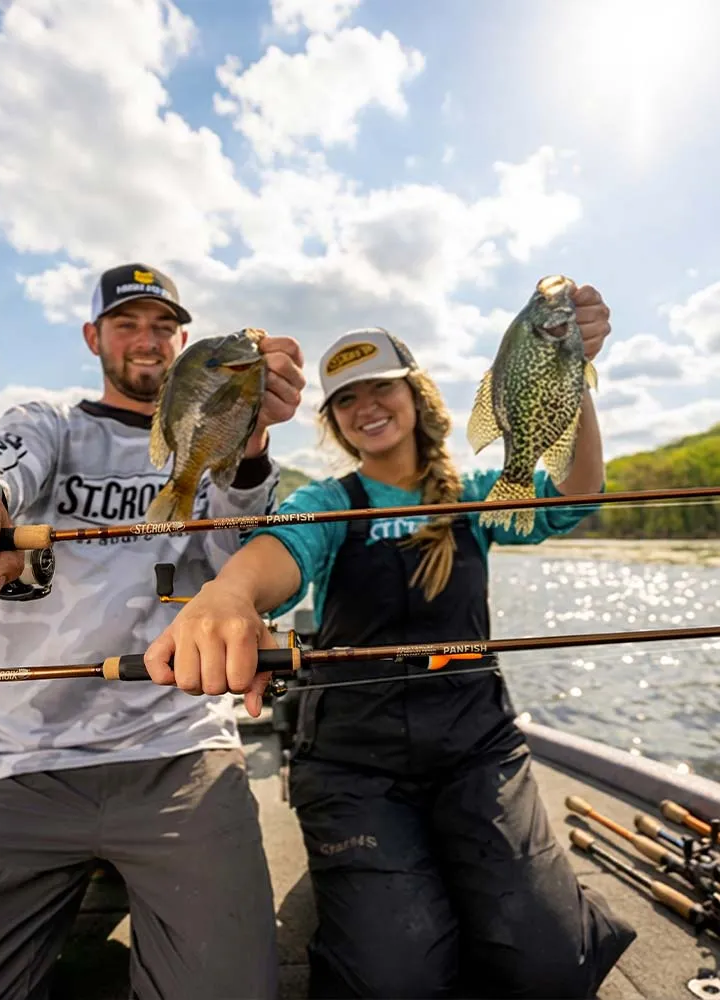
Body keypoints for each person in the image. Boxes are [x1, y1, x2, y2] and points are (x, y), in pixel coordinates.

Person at [144, 284, 637, 999]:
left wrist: (570, 378)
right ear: (335, 420)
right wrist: (228, 594)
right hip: (353, 765)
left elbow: (578, 494)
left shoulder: (475, 493)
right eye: (346, 399)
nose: (366, 407)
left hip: (478, 753)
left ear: (416, 393)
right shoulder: (326, 502)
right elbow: (276, 554)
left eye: (381, 388)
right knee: (393, 979)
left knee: (551, 969)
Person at [0, 262, 306, 1000]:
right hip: (28, 758)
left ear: (184, 342)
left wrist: (251, 441)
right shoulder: (54, 427)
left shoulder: (216, 455)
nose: (146, 339)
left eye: (162, 327)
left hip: (182, 747)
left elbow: (245, 564)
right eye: (127, 323)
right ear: (93, 336)